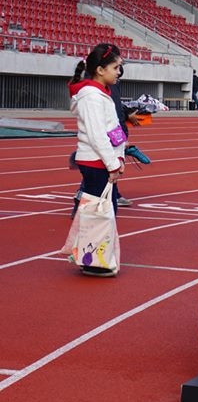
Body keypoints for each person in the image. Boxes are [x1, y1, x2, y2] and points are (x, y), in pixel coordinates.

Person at [68, 43, 126, 275]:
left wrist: (120, 154)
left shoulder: (101, 94)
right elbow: (96, 135)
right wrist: (112, 164)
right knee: (98, 214)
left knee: (103, 212)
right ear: (100, 70)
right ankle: (92, 260)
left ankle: (95, 257)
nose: (119, 72)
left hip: (102, 161)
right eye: (115, 67)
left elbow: (112, 129)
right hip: (96, 162)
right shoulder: (92, 97)